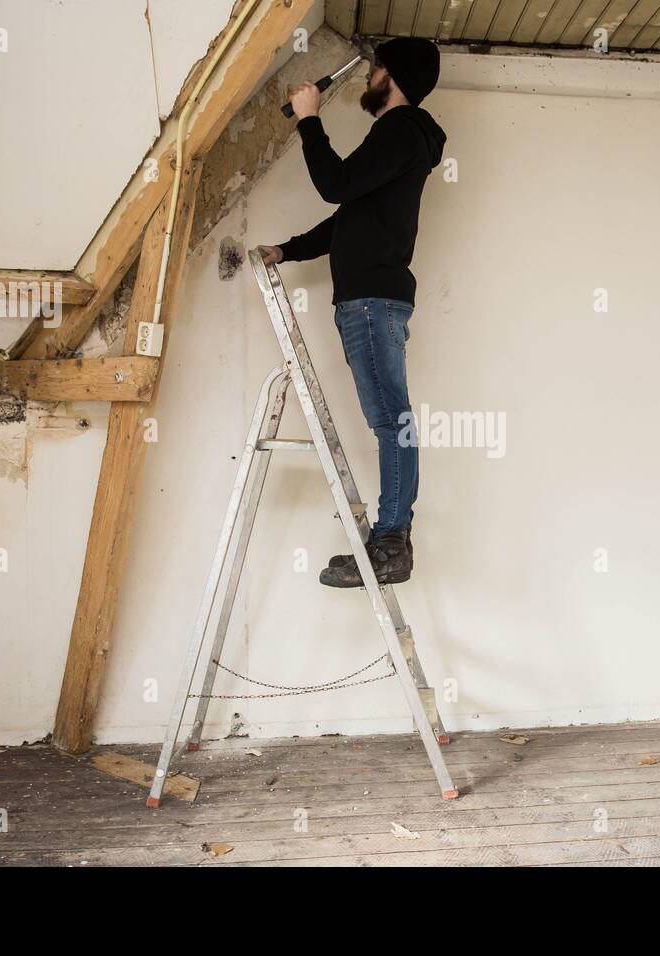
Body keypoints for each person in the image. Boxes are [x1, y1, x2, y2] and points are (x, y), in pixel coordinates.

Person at [258, 37, 445, 588]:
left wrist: (309, 120)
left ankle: (391, 543)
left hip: (370, 303)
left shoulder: (400, 130)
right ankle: (389, 537)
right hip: (368, 302)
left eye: (377, 69)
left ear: (396, 77)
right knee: (393, 422)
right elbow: (350, 215)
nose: (369, 77)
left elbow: (334, 184)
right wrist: (288, 251)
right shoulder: (398, 141)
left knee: (393, 423)